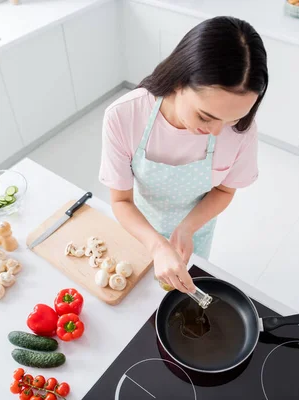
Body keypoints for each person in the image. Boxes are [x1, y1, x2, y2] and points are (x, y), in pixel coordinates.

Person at [98, 16, 268, 294]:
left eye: (230, 119)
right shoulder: (124, 116)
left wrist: (187, 229)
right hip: (139, 225)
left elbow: (224, 191)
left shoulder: (241, 132)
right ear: (179, 82)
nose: (216, 131)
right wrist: (155, 244)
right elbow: (120, 200)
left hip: (196, 230)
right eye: (206, 116)